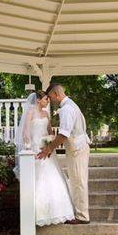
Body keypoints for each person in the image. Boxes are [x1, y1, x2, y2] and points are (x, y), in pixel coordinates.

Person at [15, 91, 75, 226]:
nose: (48, 101)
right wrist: (29, 146)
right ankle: (38, 214)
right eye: (45, 99)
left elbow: (49, 131)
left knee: (53, 176)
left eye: (48, 99)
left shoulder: (47, 114)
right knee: (39, 179)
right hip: (36, 148)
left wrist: (51, 140)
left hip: (46, 149)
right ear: (38, 100)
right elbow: (26, 132)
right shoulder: (30, 113)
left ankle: (58, 212)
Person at [37, 83, 91, 224]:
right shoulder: (71, 104)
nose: (50, 101)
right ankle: (80, 213)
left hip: (77, 149)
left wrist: (49, 148)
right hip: (78, 147)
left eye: (50, 97)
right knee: (77, 181)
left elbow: (63, 134)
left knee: (79, 182)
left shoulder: (67, 109)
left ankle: (82, 217)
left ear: (56, 94)